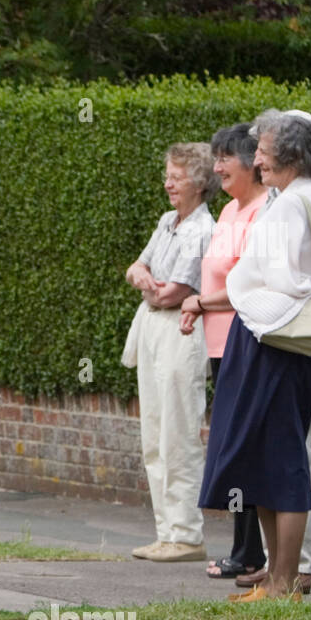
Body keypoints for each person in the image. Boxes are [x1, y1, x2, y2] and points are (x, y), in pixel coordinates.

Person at [191, 109, 311, 601]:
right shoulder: (299, 198)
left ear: (291, 153)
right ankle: (276, 579)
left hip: (275, 342)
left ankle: (284, 583)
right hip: (269, 341)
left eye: (264, 150)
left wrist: (248, 300)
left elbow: (287, 281)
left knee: (282, 462)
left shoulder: (300, 203)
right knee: (265, 461)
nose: (256, 159)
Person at [180, 124, 269, 583]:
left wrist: (199, 302)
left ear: (252, 162)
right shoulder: (231, 211)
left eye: (224, 158)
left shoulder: (261, 213)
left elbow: (247, 287)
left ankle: (250, 554)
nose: (216, 167)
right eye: (214, 158)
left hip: (245, 341)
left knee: (241, 446)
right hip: (219, 342)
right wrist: (200, 306)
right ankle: (244, 550)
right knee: (230, 446)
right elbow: (218, 278)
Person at [122, 143, 218, 563]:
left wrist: (149, 283)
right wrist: (146, 281)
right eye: (167, 176)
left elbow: (171, 292)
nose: (167, 184)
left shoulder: (203, 229)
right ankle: (166, 532)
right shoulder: (167, 222)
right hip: (152, 329)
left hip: (182, 332)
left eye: (175, 178)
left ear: (198, 183)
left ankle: (187, 534)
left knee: (178, 434)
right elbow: (137, 269)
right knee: (153, 432)